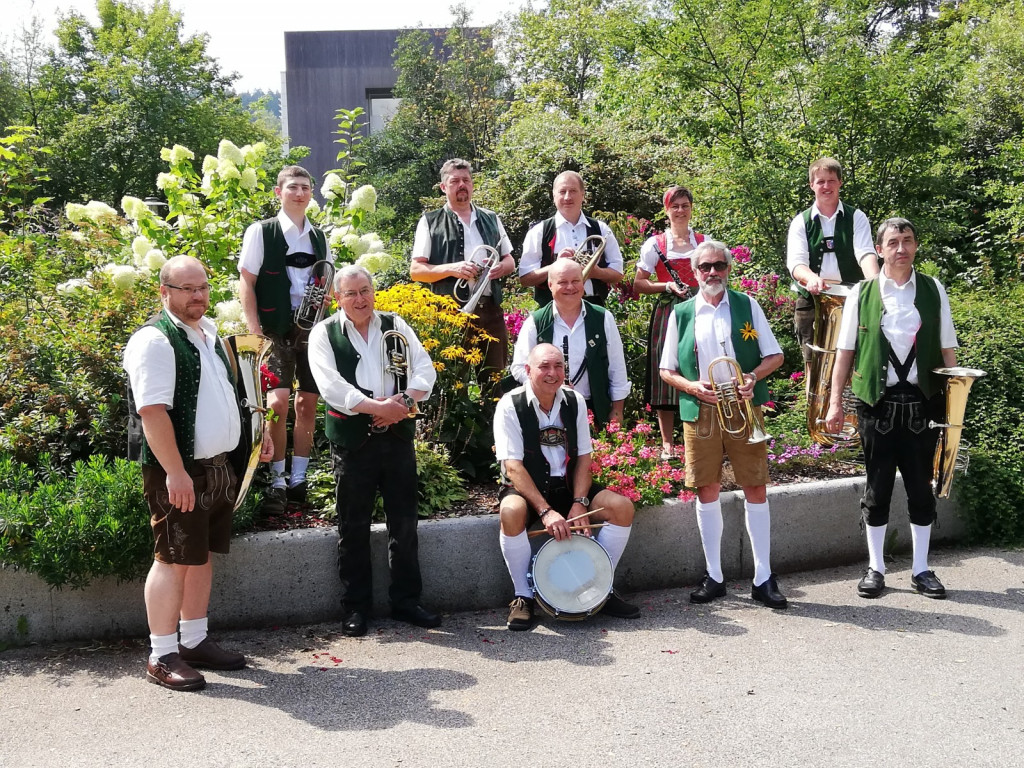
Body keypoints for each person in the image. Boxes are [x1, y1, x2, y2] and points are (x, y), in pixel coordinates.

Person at [124, 255, 273, 691]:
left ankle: (193, 640)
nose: (198, 296)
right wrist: (175, 472)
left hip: (216, 467)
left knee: (201, 554)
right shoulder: (154, 340)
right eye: (188, 289)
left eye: (203, 287)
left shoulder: (207, 332)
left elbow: (230, 394)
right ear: (164, 291)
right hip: (180, 471)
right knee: (170, 558)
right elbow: (151, 412)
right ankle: (161, 654)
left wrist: (254, 435)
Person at [825, 218, 958, 600]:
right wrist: (836, 402)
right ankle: (875, 568)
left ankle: (921, 569)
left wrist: (954, 405)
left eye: (908, 241)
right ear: (880, 249)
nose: (902, 248)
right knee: (877, 488)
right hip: (876, 405)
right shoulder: (861, 293)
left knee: (921, 488)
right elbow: (845, 352)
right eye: (894, 242)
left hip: (924, 402)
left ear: (916, 246)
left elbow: (947, 347)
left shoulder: (933, 288)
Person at [307, 265, 441, 637]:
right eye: (351, 294)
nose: (360, 299)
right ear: (338, 298)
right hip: (353, 441)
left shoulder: (395, 325)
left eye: (365, 290)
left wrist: (400, 403)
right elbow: (330, 386)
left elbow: (425, 371)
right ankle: (356, 607)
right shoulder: (324, 333)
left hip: (397, 436)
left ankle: (406, 601)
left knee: (405, 522)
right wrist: (375, 407)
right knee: (353, 526)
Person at [659, 240, 788, 608]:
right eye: (705, 267)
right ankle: (714, 576)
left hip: (744, 405)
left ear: (728, 269)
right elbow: (666, 370)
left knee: (756, 487)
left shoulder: (748, 305)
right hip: (700, 408)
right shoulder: (682, 313)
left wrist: (753, 377)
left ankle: (763, 578)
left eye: (719, 266)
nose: (712, 272)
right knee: (706, 488)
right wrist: (692, 386)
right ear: (695, 273)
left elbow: (775, 355)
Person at [495, 343, 640, 630]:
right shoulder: (509, 405)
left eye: (558, 366)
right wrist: (546, 512)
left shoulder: (574, 400)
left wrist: (580, 501)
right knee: (510, 512)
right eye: (544, 367)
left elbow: (585, 458)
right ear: (527, 371)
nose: (552, 373)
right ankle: (523, 597)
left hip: (569, 485)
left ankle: (601, 587)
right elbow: (513, 468)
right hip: (529, 487)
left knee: (621, 508)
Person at [238, 165, 331, 512]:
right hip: (273, 329)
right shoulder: (261, 232)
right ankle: (276, 479)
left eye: (306, 188)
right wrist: (254, 330)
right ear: (278, 193)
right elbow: (247, 282)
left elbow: (327, 282)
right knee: (276, 404)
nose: (300, 193)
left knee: (307, 404)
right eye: (293, 187)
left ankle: (299, 480)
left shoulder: (319, 237)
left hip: (310, 331)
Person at [410, 158, 516, 376]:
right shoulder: (429, 221)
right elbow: (416, 271)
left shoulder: (491, 218)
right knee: (455, 380)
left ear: (472, 184)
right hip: (451, 314)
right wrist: (453, 269)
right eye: (455, 181)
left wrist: (498, 268)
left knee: (495, 381)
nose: (462, 185)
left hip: (491, 311)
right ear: (443, 187)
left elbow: (510, 261)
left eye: (466, 180)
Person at [509, 259, 630, 430]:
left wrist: (616, 412)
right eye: (563, 282)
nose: (570, 287)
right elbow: (520, 367)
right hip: (547, 408)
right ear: (550, 285)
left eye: (575, 281)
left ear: (583, 282)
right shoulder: (535, 322)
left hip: (594, 408)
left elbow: (617, 368)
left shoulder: (603, 318)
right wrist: (547, 386)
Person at [633, 185, 705, 461]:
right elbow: (639, 284)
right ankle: (666, 443)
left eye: (685, 205)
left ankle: (696, 437)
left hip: (698, 308)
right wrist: (666, 285)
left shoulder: (703, 241)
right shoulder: (655, 244)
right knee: (666, 369)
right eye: (675, 206)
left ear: (691, 208)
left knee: (697, 366)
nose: (680, 210)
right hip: (669, 311)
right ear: (667, 210)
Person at [787, 157, 879, 361]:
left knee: (854, 359)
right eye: (820, 181)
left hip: (851, 299)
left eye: (831, 180)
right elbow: (796, 263)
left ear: (840, 182)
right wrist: (811, 278)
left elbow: (865, 253)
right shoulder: (800, 222)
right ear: (812, 185)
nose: (826, 186)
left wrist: (876, 283)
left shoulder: (857, 217)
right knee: (814, 360)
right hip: (811, 300)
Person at [519, 170, 624, 306]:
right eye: (562, 191)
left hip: (594, 305)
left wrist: (596, 272)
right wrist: (556, 267)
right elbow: (525, 278)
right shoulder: (539, 231)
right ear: (554, 196)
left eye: (573, 191)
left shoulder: (601, 228)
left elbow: (618, 273)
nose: (568, 197)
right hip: (552, 307)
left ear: (582, 195)